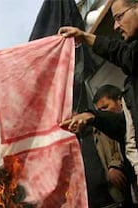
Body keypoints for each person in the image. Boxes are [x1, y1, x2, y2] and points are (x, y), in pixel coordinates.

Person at [59, 0, 138, 183]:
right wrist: (92, 117)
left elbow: (126, 55)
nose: (116, 26)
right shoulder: (131, 84)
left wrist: (86, 37)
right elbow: (126, 129)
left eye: (119, 17)